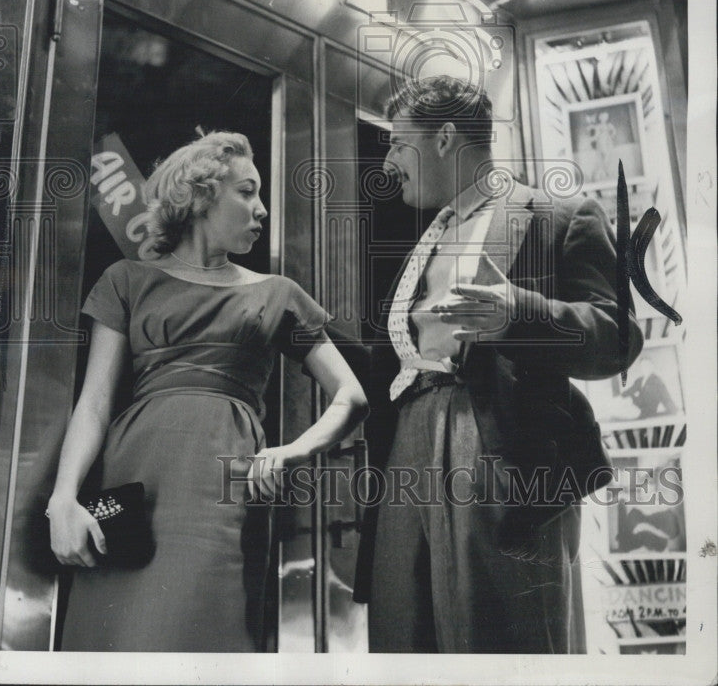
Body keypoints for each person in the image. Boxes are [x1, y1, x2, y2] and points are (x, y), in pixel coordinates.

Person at [354, 75, 643, 653]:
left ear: (444, 139)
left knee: (502, 640)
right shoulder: (426, 236)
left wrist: (520, 315)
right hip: (408, 448)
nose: (387, 162)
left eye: (397, 142)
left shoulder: (559, 214)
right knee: (406, 637)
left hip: (503, 454)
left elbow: (618, 338)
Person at [49, 131, 368, 652]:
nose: (261, 208)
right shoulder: (126, 279)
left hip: (223, 486)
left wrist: (293, 452)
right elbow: (94, 402)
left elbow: (351, 396)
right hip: (132, 483)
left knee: (203, 630)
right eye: (247, 192)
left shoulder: (276, 293)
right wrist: (63, 499)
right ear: (199, 195)